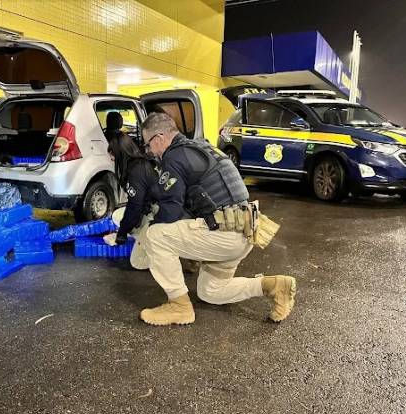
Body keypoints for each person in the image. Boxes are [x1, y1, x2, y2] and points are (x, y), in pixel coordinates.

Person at [138, 112, 297, 326]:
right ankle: (274, 286)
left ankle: (178, 306)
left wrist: (148, 228)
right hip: (245, 231)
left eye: (149, 145)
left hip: (225, 235)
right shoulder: (202, 147)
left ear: (158, 138)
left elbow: (171, 210)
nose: (150, 152)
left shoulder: (174, 156)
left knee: (155, 235)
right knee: (211, 291)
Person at [103, 131, 160, 269]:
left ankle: (159, 246)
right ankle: (145, 237)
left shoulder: (136, 170)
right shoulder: (138, 163)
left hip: (158, 215)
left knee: (138, 262)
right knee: (118, 216)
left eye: (113, 156)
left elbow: (135, 206)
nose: (112, 160)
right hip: (149, 208)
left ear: (120, 153)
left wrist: (122, 233)